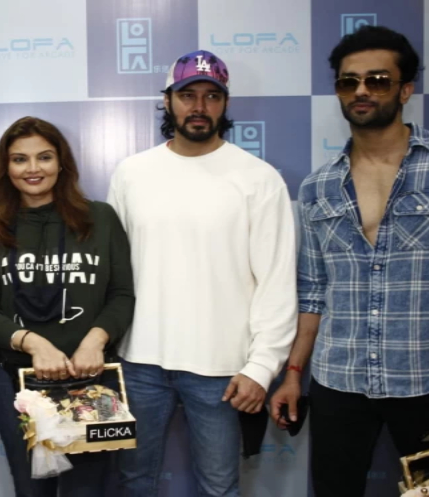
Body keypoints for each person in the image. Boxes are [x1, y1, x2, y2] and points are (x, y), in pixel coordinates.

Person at [107, 50, 297, 496]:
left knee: (219, 487)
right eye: (187, 95)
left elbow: (276, 281)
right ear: (168, 100)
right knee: (133, 482)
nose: (199, 106)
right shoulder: (132, 173)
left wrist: (262, 367)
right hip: (139, 363)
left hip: (222, 370)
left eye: (212, 96)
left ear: (225, 103)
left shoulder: (259, 179)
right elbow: (112, 272)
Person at [269, 25, 429, 496]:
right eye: (349, 81)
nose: (361, 90)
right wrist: (293, 374)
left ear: (405, 90)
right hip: (339, 381)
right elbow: (313, 290)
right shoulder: (318, 186)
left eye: (378, 80)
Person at [0, 116, 135, 496]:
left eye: (44, 157)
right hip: (17, 382)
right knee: (32, 490)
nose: (33, 169)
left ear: (61, 163)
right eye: (20, 159)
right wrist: (34, 344)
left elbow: (122, 294)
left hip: (93, 381)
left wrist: (95, 340)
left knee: (89, 490)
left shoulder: (100, 219)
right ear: (6, 168)